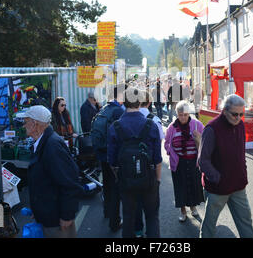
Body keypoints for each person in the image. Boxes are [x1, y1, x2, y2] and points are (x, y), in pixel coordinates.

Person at [19, 105, 84, 238]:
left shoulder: (52, 146)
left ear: (35, 124)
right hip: (49, 216)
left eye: (25, 122)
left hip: (56, 221)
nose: (23, 126)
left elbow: (70, 183)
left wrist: (67, 215)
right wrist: (37, 210)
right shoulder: (43, 142)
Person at [108, 87, 162, 238]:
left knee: (129, 218)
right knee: (152, 217)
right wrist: (157, 180)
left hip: (125, 180)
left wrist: (120, 176)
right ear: (140, 102)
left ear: (124, 103)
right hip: (149, 178)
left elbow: (111, 161)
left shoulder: (115, 127)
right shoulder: (151, 125)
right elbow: (158, 159)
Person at [198, 94, 253, 238]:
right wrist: (218, 178)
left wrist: (243, 173)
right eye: (235, 114)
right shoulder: (211, 129)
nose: (238, 118)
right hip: (218, 189)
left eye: (242, 114)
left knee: (245, 222)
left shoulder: (240, 124)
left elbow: (240, 154)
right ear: (224, 111)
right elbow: (203, 161)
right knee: (209, 226)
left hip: (238, 185)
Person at [91, 85, 125, 231]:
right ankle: (115, 221)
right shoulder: (118, 111)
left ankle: (107, 212)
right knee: (116, 188)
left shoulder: (105, 108)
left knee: (107, 184)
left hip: (101, 153)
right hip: (113, 155)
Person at [165, 100, 204, 222]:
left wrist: (199, 138)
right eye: (180, 115)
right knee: (180, 187)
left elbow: (206, 142)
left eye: (185, 115)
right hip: (179, 162)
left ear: (189, 114)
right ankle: (183, 211)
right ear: (177, 114)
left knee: (193, 186)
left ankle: (193, 208)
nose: (183, 117)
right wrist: (171, 152)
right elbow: (166, 144)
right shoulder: (171, 127)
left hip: (194, 162)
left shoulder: (197, 125)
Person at [134, 90, 165, 237]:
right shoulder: (155, 120)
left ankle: (138, 231)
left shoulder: (126, 119)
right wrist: (158, 178)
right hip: (150, 169)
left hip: (132, 168)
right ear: (149, 102)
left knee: (136, 204)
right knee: (152, 209)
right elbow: (159, 147)